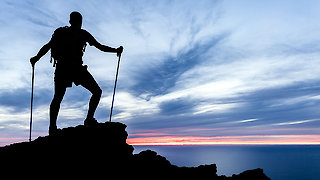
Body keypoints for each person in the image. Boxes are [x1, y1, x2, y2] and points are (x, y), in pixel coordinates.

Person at [30, 11, 123, 135]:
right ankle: (88, 119)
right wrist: (115, 50)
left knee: (58, 98)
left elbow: (48, 46)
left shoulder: (62, 33)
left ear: (70, 21)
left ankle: (53, 127)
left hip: (63, 69)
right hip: (76, 69)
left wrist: (36, 58)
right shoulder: (82, 34)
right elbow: (100, 47)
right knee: (96, 91)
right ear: (79, 21)